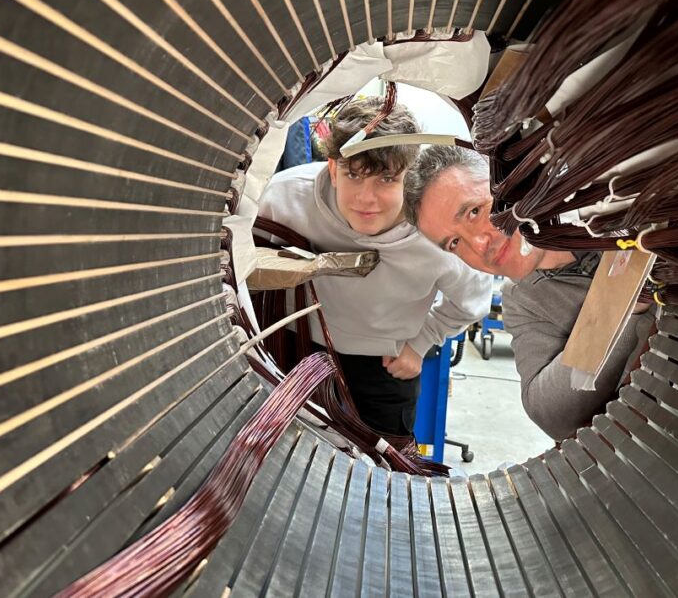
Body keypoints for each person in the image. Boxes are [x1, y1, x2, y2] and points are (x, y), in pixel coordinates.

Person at [256, 98, 490, 437]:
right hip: (289, 349)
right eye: (353, 175)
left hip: (382, 370)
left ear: (409, 178)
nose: (367, 199)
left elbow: (474, 299)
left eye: (386, 179)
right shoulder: (283, 198)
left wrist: (421, 342)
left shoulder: (437, 231)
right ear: (333, 169)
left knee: (379, 475)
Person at [403, 144, 654, 441]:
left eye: (474, 211)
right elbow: (552, 416)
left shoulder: (615, 205)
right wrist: (621, 303)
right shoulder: (523, 300)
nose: (479, 245)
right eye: (454, 243)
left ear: (508, 184)